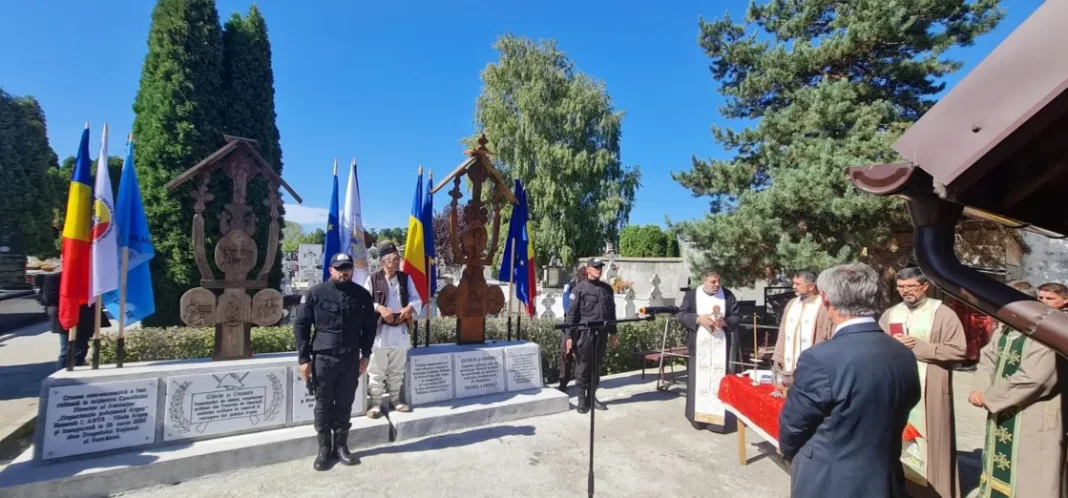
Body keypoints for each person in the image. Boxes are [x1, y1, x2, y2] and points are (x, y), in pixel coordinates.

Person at [779, 262, 921, 498]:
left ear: (826, 300)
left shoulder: (819, 358)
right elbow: (910, 399)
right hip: (884, 475)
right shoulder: (902, 352)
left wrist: (793, 455)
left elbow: (794, 425)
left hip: (830, 480)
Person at [968, 280, 1063, 498]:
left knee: (1031, 471)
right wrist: (978, 388)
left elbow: (1035, 378)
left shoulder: (1046, 333)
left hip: (1032, 411)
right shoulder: (1005, 329)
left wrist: (989, 396)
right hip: (1001, 408)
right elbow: (987, 358)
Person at [879, 267, 967, 498]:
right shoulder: (890, 314)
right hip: (896, 389)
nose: (905, 291)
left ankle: (931, 492)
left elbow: (959, 350)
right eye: (901, 287)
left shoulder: (943, 314)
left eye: (911, 287)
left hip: (930, 389)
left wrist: (918, 346)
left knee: (931, 443)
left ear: (925, 286)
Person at [294, 252, 377, 471]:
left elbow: (369, 327)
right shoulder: (316, 293)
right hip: (324, 359)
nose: (343, 272)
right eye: (339, 268)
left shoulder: (361, 295)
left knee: (344, 404)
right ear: (331, 270)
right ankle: (324, 450)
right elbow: (301, 326)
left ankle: (341, 447)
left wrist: (366, 355)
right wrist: (304, 359)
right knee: (323, 404)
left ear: (352, 270)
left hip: (350, 359)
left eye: (347, 268)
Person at [362, 241, 422, 418]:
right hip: (380, 333)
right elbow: (363, 302)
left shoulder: (405, 278)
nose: (397, 263)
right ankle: (376, 403)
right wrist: (380, 308)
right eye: (393, 260)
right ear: (383, 262)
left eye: (398, 260)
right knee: (377, 370)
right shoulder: (373, 279)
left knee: (397, 369)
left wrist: (409, 308)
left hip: (400, 331)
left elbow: (416, 299)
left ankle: (395, 399)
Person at [676, 269, 741, 432]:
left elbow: (737, 316)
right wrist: (698, 318)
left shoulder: (727, 295)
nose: (717, 284)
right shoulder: (692, 295)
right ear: (703, 281)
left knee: (718, 380)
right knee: (698, 380)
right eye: (713, 282)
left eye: (718, 281)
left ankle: (716, 422)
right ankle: (697, 420)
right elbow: (681, 314)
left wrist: (725, 322)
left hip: (720, 346)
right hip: (699, 346)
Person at [564, 257, 619, 414]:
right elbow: (571, 315)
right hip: (585, 334)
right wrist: (569, 336)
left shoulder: (606, 289)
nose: (598, 270)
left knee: (596, 366)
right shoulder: (579, 289)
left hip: (601, 334)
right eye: (595, 267)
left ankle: (591, 397)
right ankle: (582, 400)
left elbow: (611, 313)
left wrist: (613, 333)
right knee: (583, 367)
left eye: (600, 267)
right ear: (588, 269)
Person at [771, 270, 834, 393]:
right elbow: (783, 335)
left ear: (811, 286)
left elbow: (831, 337)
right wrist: (779, 358)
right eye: (794, 283)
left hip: (814, 371)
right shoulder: (791, 304)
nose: (793, 286)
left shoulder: (823, 306)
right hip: (789, 370)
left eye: (798, 284)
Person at [558, 266, 587, 393]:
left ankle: (582, 382)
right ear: (577, 274)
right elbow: (566, 306)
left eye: (586, 274)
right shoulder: (569, 286)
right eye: (582, 273)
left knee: (583, 356)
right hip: (570, 326)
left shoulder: (590, 288)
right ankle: (563, 382)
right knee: (566, 354)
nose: (584, 276)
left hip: (584, 327)